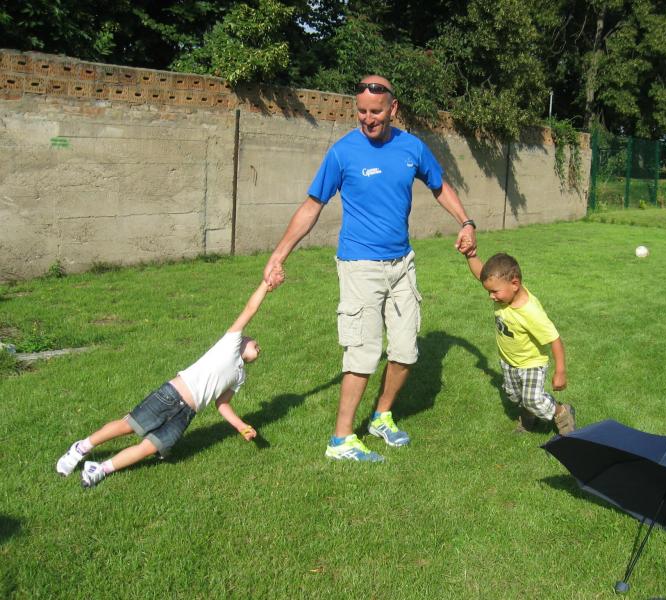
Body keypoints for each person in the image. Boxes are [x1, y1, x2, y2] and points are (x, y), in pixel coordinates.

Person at [262, 75, 477, 462]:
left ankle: (381, 416)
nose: (367, 118)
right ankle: (341, 440)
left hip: (402, 264)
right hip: (360, 265)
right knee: (363, 352)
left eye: (375, 111)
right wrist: (280, 254)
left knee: (406, 350)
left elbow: (439, 186)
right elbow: (312, 206)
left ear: (393, 109)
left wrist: (466, 222)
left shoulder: (412, 148)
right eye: (361, 111)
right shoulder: (343, 153)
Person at [56, 275, 283, 487]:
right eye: (255, 343)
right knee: (129, 426)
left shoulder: (240, 375)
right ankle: (80, 448)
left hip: (187, 414)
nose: (259, 347)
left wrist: (241, 426)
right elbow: (251, 308)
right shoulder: (230, 344)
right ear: (242, 340)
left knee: (149, 448)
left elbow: (222, 404)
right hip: (171, 395)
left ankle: (101, 468)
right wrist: (266, 285)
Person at [465, 252, 575, 435]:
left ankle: (562, 413)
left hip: (532, 363)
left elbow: (554, 339)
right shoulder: (504, 293)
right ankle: (529, 415)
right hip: (508, 361)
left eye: (494, 292)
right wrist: (470, 255)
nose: (491, 297)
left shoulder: (531, 312)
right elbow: (481, 274)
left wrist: (560, 371)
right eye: (489, 291)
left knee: (533, 399)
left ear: (515, 284)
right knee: (514, 395)